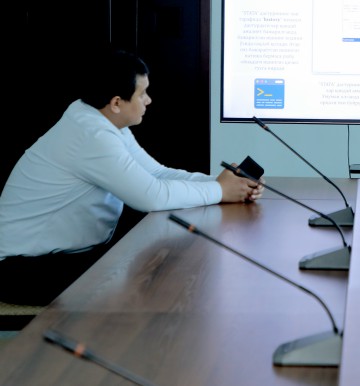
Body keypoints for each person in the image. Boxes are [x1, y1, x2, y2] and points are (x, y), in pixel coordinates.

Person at [0, 50, 262, 305]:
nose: (149, 100)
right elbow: (151, 196)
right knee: (152, 278)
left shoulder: (99, 119)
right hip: (25, 270)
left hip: (63, 258)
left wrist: (225, 184)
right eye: (142, 93)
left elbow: (157, 173)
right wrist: (221, 190)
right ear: (116, 103)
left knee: (159, 265)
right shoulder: (91, 135)